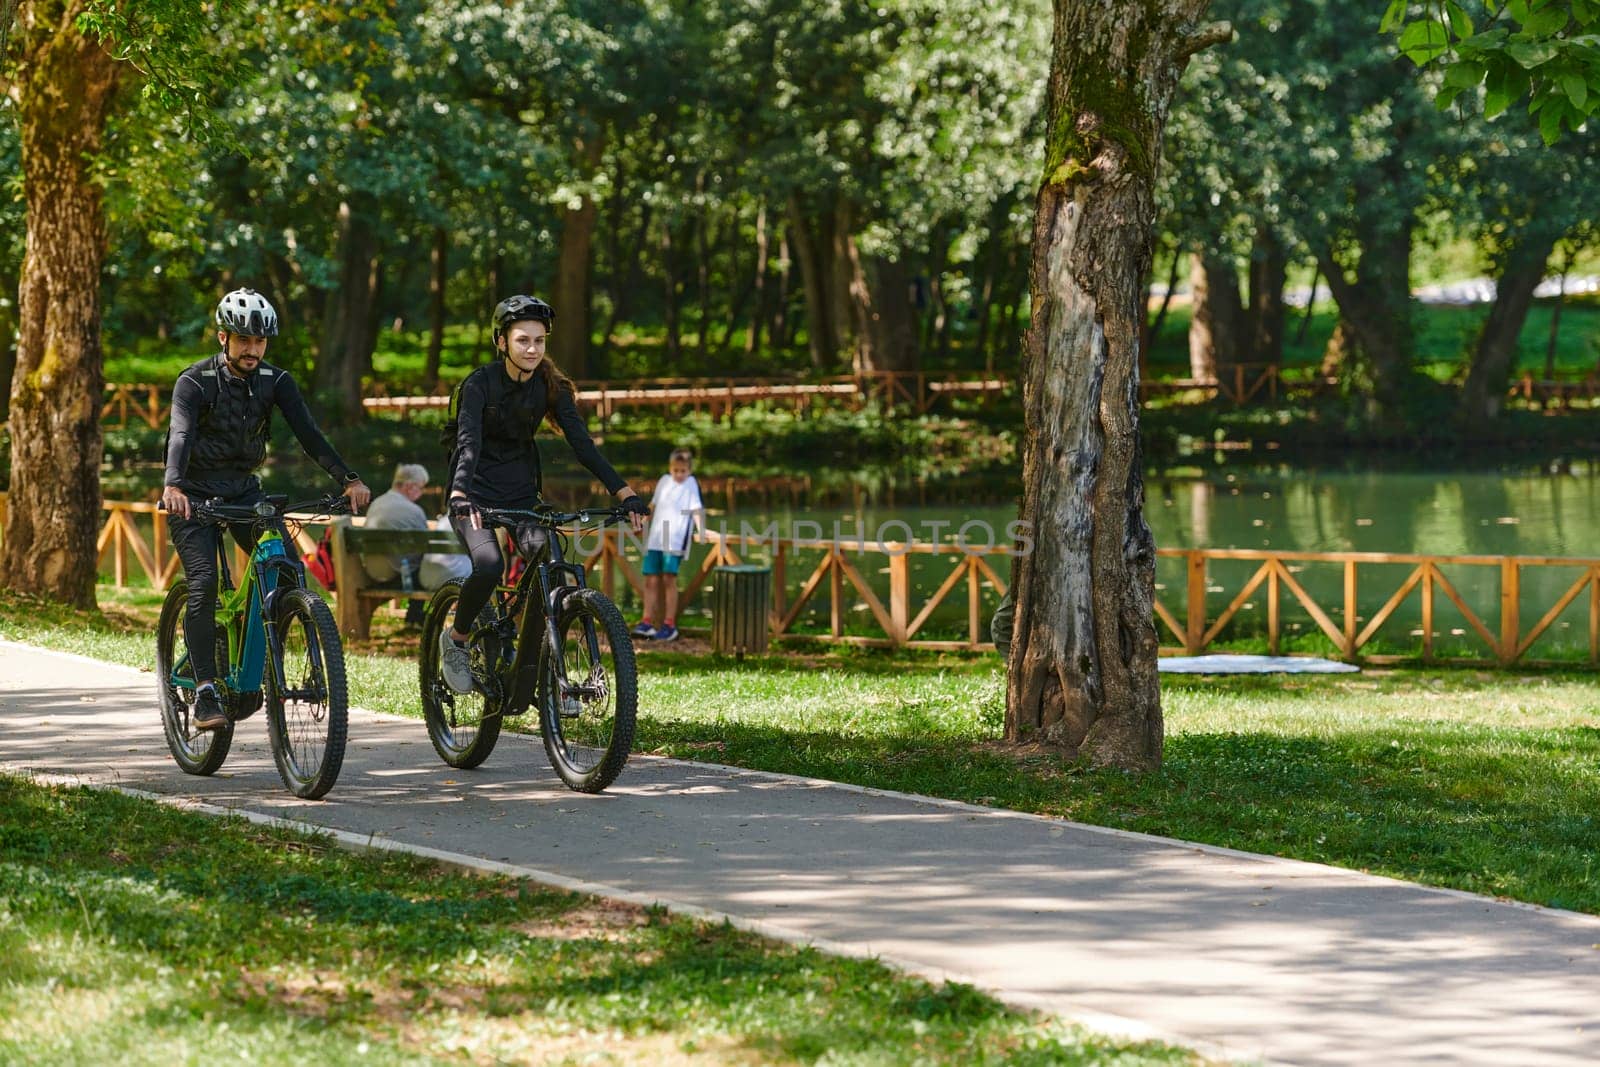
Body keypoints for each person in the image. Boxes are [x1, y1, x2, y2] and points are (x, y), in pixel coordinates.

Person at [163, 287, 371, 730]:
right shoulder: (194, 382)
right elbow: (179, 436)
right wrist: (173, 485)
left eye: (260, 341)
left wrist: (348, 478)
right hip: (194, 498)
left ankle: (262, 666)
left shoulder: (276, 382)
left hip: (243, 492)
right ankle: (203, 693)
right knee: (204, 583)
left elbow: (309, 435)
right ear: (224, 338)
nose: (252, 349)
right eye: (243, 340)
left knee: (287, 569)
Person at [437, 294, 647, 694]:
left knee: (551, 563)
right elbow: (468, 444)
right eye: (522, 341)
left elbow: (582, 445)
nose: (532, 349)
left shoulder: (549, 387)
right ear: (502, 342)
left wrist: (625, 493)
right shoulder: (478, 385)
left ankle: (549, 673)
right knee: (487, 564)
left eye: (539, 341)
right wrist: (460, 492)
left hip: (521, 496)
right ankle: (458, 640)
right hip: (473, 495)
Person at [633, 448, 704, 641]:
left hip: (675, 539)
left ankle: (669, 624)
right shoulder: (664, 481)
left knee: (668, 579)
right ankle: (647, 622)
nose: (679, 474)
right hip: (656, 538)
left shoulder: (690, 484)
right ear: (670, 468)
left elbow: (697, 509)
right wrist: (642, 524)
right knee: (650, 579)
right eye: (676, 470)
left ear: (689, 470)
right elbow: (653, 506)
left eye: (683, 470)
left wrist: (703, 530)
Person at [362, 463, 432, 627]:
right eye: (421, 488)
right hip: (400, 577)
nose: (421, 493)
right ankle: (415, 618)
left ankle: (413, 618)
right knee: (429, 563)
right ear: (409, 486)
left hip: (372, 573)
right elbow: (427, 546)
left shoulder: (376, 504)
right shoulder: (414, 511)